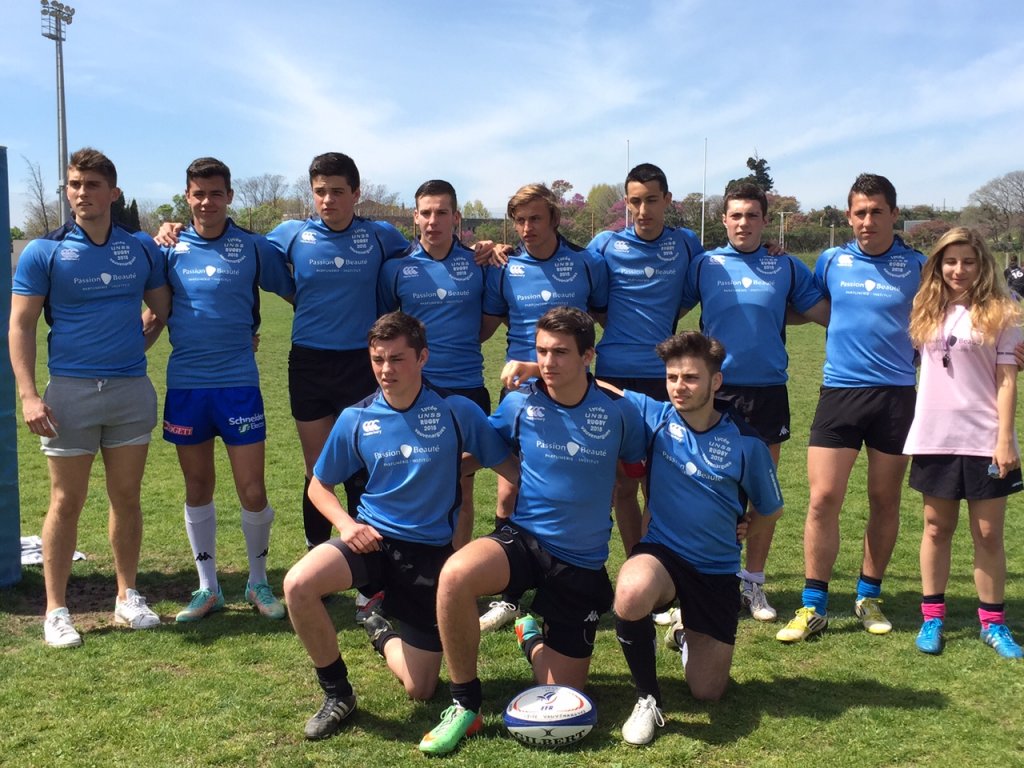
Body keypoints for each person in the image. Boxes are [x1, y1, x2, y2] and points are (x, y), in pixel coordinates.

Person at [282, 312, 518, 741]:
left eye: (397, 359)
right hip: (370, 540)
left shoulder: (455, 410)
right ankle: (338, 694)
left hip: (428, 555)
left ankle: (379, 626)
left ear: (422, 357)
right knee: (298, 583)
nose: (386, 370)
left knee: (421, 689)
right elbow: (319, 485)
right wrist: (345, 524)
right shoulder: (356, 419)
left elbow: (504, 462)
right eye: (378, 360)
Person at [421, 307, 646, 756]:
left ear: (588, 356)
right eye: (541, 351)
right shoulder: (520, 402)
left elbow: (632, 484)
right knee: (455, 576)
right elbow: (484, 450)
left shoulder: (621, 411)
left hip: (580, 562)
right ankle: (465, 704)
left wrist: (640, 554)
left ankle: (531, 635)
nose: (548, 362)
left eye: (561, 352)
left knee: (563, 693)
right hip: (522, 540)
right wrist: (430, 467)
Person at [10, 148, 169, 647]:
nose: (81, 193)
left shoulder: (140, 248)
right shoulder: (45, 250)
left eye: (92, 185)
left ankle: (127, 598)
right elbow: (20, 325)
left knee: (126, 498)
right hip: (70, 394)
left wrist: (129, 351)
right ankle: (56, 610)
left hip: (129, 391)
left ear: (113, 193)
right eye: (74, 184)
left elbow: (159, 311)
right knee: (66, 500)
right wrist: (29, 395)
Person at [611, 332, 783, 745]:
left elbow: (771, 507)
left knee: (708, 692)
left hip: (716, 569)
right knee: (631, 592)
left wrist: (748, 527)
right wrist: (530, 369)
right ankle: (647, 699)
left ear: (715, 383)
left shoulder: (746, 442)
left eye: (689, 378)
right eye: (672, 377)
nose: (678, 387)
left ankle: (685, 632)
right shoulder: (656, 417)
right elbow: (605, 389)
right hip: (664, 555)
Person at [777, 173, 927, 643]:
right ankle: (813, 605)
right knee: (823, 499)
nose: (867, 221)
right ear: (848, 216)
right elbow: (803, 306)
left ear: (893, 214)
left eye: (876, 211)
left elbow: (956, 312)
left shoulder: (919, 265)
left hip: (897, 396)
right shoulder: (831, 260)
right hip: (839, 393)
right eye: (859, 212)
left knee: (885, 500)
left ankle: (867, 595)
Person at [146, 158, 296, 622]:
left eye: (215, 193)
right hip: (188, 385)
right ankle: (207, 588)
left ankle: (258, 582)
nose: (207, 202)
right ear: (187, 197)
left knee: (252, 489)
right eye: (198, 193)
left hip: (239, 385)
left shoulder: (252, 247)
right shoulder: (167, 249)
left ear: (229, 196)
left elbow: (298, 289)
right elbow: (152, 313)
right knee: (198, 486)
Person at [681, 182, 828, 621]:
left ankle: (753, 585)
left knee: (763, 495)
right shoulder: (704, 264)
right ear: (724, 220)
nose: (743, 222)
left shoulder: (784, 265)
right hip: (716, 392)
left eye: (752, 215)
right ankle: (700, 583)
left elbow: (826, 312)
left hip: (767, 392)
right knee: (708, 490)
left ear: (766, 220)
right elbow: (665, 307)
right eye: (735, 215)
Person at [477, 184, 609, 633]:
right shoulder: (505, 266)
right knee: (508, 490)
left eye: (535, 219)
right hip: (520, 394)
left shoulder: (586, 263)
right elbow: (485, 326)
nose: (527, 229)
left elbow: (602, 320)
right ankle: (510, 595)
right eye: (519, 221)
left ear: (554, 218)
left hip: (571, 390)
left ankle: (580, 574)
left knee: (572, 481)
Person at [903, 227, 1023, 658]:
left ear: (982, 264)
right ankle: (931, 618)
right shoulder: (924, 307)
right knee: (937, 528)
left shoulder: (1002, 313)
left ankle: (993, 624)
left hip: (985, 437)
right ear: (938, 264)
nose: (959, 270)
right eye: (950, 261)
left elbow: (1007, 380)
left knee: (988, 533)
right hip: (935, 434)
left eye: (968, 261)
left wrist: (1005, 439)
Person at [377, 180, 490, 550]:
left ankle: (454, 572)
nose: (433, 220)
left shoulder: (478, 263)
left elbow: (487, 324)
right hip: (417, 392)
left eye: (442, 212)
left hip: (467, 388)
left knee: (462, 490)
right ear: (415, 217)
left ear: (456, 217)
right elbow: (386, 329)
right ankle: (417, 570)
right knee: (415, 484)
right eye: (426, 212)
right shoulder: (397, 269)